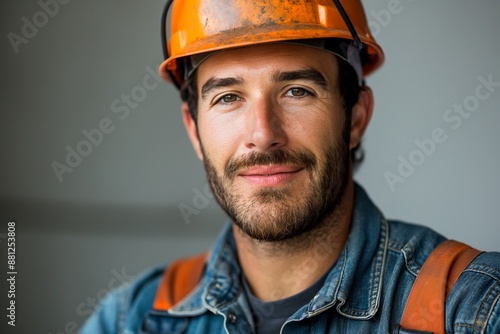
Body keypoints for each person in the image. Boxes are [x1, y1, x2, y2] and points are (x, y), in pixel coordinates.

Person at [81, 0, 500, 333]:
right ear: (194, 130)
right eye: (227, 97)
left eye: (296, 91)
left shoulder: (472, 308)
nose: (263, 134)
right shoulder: (132, 319)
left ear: (354, 116)